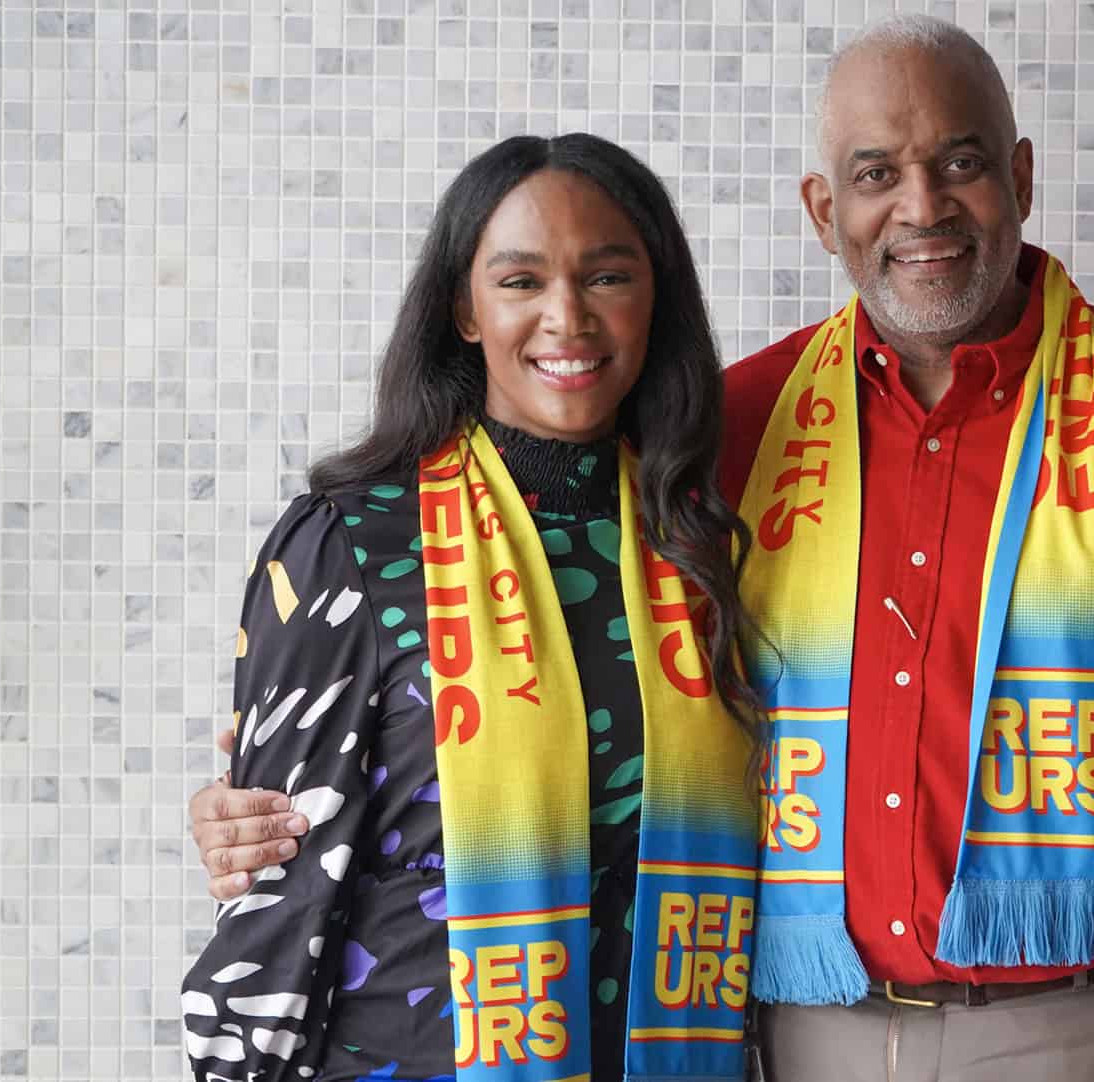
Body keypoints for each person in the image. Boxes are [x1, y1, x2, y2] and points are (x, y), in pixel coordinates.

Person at [191, 14, 1094, 1081]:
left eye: (960, 162)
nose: (921, 207)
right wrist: (258, 806)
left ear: (1020, 175)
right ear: (824, 211)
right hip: (796, 1038)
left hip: (1090, 1034)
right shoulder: (728, 439)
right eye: (875, 173)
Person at [179, 132, 764, 1082]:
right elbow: (276, 880)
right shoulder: (352, 543)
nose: (567, 317)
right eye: (521, 281)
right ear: (464, 308)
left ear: (655, 297)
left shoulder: (702, 544)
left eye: (607, 277)